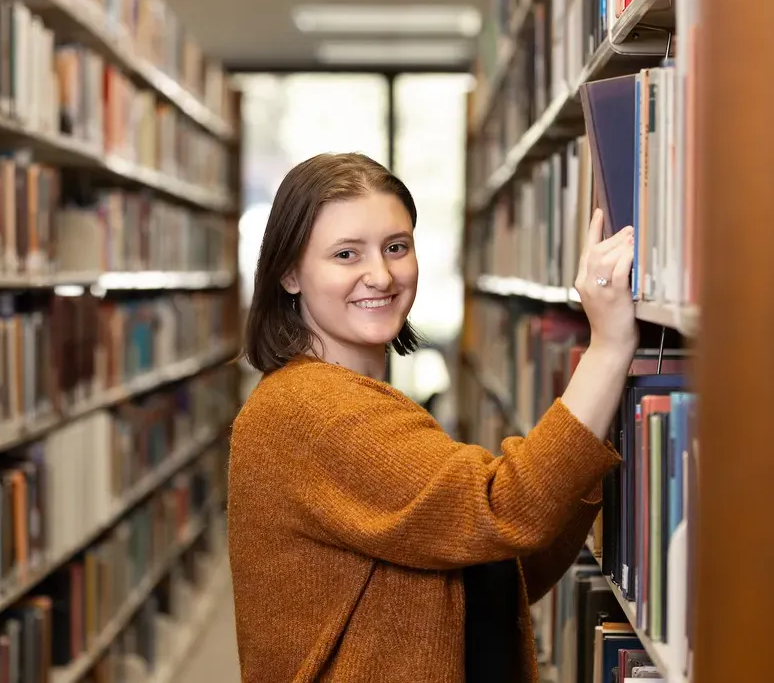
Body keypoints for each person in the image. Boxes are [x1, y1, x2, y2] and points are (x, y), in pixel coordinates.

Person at [228, 152, 635, 682]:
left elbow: (497, 567)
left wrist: (578, 464)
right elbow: (504, 509)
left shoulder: (358, 400)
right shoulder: (312, 411)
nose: (380, 275)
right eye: (346, 254)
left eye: (396, 247)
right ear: (289, 273)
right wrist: (608, 347)